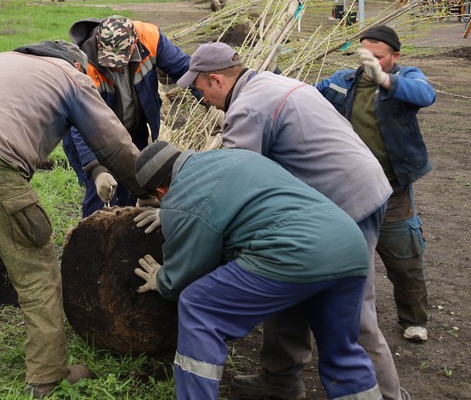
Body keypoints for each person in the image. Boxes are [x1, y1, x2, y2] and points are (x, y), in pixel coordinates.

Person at [165, 42, 408, 400]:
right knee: (284, 274)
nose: (199, 98)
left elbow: (229, 182)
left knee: (349, 315)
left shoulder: (247, 108)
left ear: (215, 79)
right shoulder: (266, 83)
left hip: (343, 201)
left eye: (198, 89)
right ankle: (281, 378)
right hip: (348, 188)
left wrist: (178, 212)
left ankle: (386, 395)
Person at [0, 40, 143, 399]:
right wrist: (146, 186)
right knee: (36, 267)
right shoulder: (70, 76)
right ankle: (47, 374)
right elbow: (113, 143)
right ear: (76, 64)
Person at [131, 141, 380, 400]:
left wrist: (162, 278)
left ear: (161, 190)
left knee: (198, 306)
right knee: (342, 353)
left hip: (295, 252)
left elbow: (185, 274)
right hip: (348, 243)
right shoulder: (230, 157)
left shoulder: (182, 193)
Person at [316, 25, 436, 343]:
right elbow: (305, 96)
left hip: (393, 187)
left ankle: (414, 318)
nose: (370, 61)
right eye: (366, 55)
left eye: (378, 56)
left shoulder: (407, 77)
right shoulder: (343, 82)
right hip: (349, 187)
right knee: (343, 252)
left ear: (394, 56)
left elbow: (426, 95)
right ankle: (345, 317)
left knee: (403, 254)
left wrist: (385, 80)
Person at [63, 15, 198, 216]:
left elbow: (184, 68)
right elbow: (81, 124)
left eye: (120, 61)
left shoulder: (150, 38)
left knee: (136, 181)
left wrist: (208, 100)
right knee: (101, 190)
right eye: (109, 61)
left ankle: (130, 234)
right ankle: (94, 240)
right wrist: (97, 170)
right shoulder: (83, 65)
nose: (115, 67)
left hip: (133, 128)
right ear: (100, 44)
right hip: (94, 134)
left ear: (133, 44)